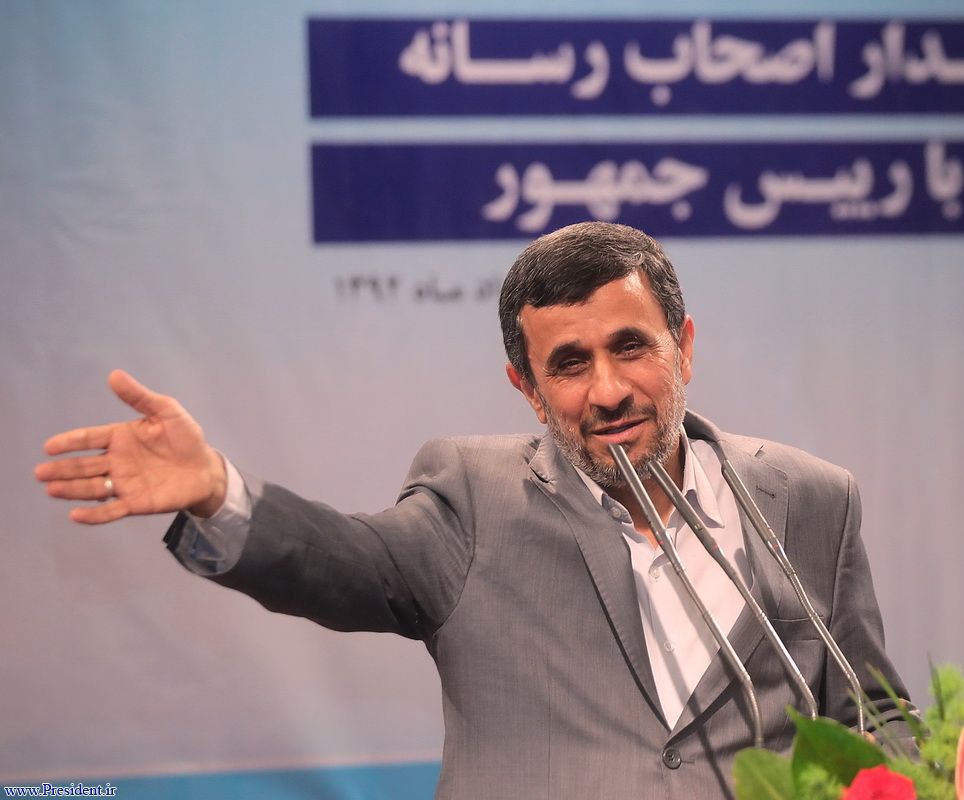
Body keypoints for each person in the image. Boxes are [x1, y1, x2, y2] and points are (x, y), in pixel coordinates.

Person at [35, 222, 912, 799]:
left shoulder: (809, 498)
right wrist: (217, 492)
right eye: (569, 364)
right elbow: (350, 562)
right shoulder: (473, 495)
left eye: (631, 347)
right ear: (527, 388)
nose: (608, 390)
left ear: (683, 348)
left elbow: (877, 715)